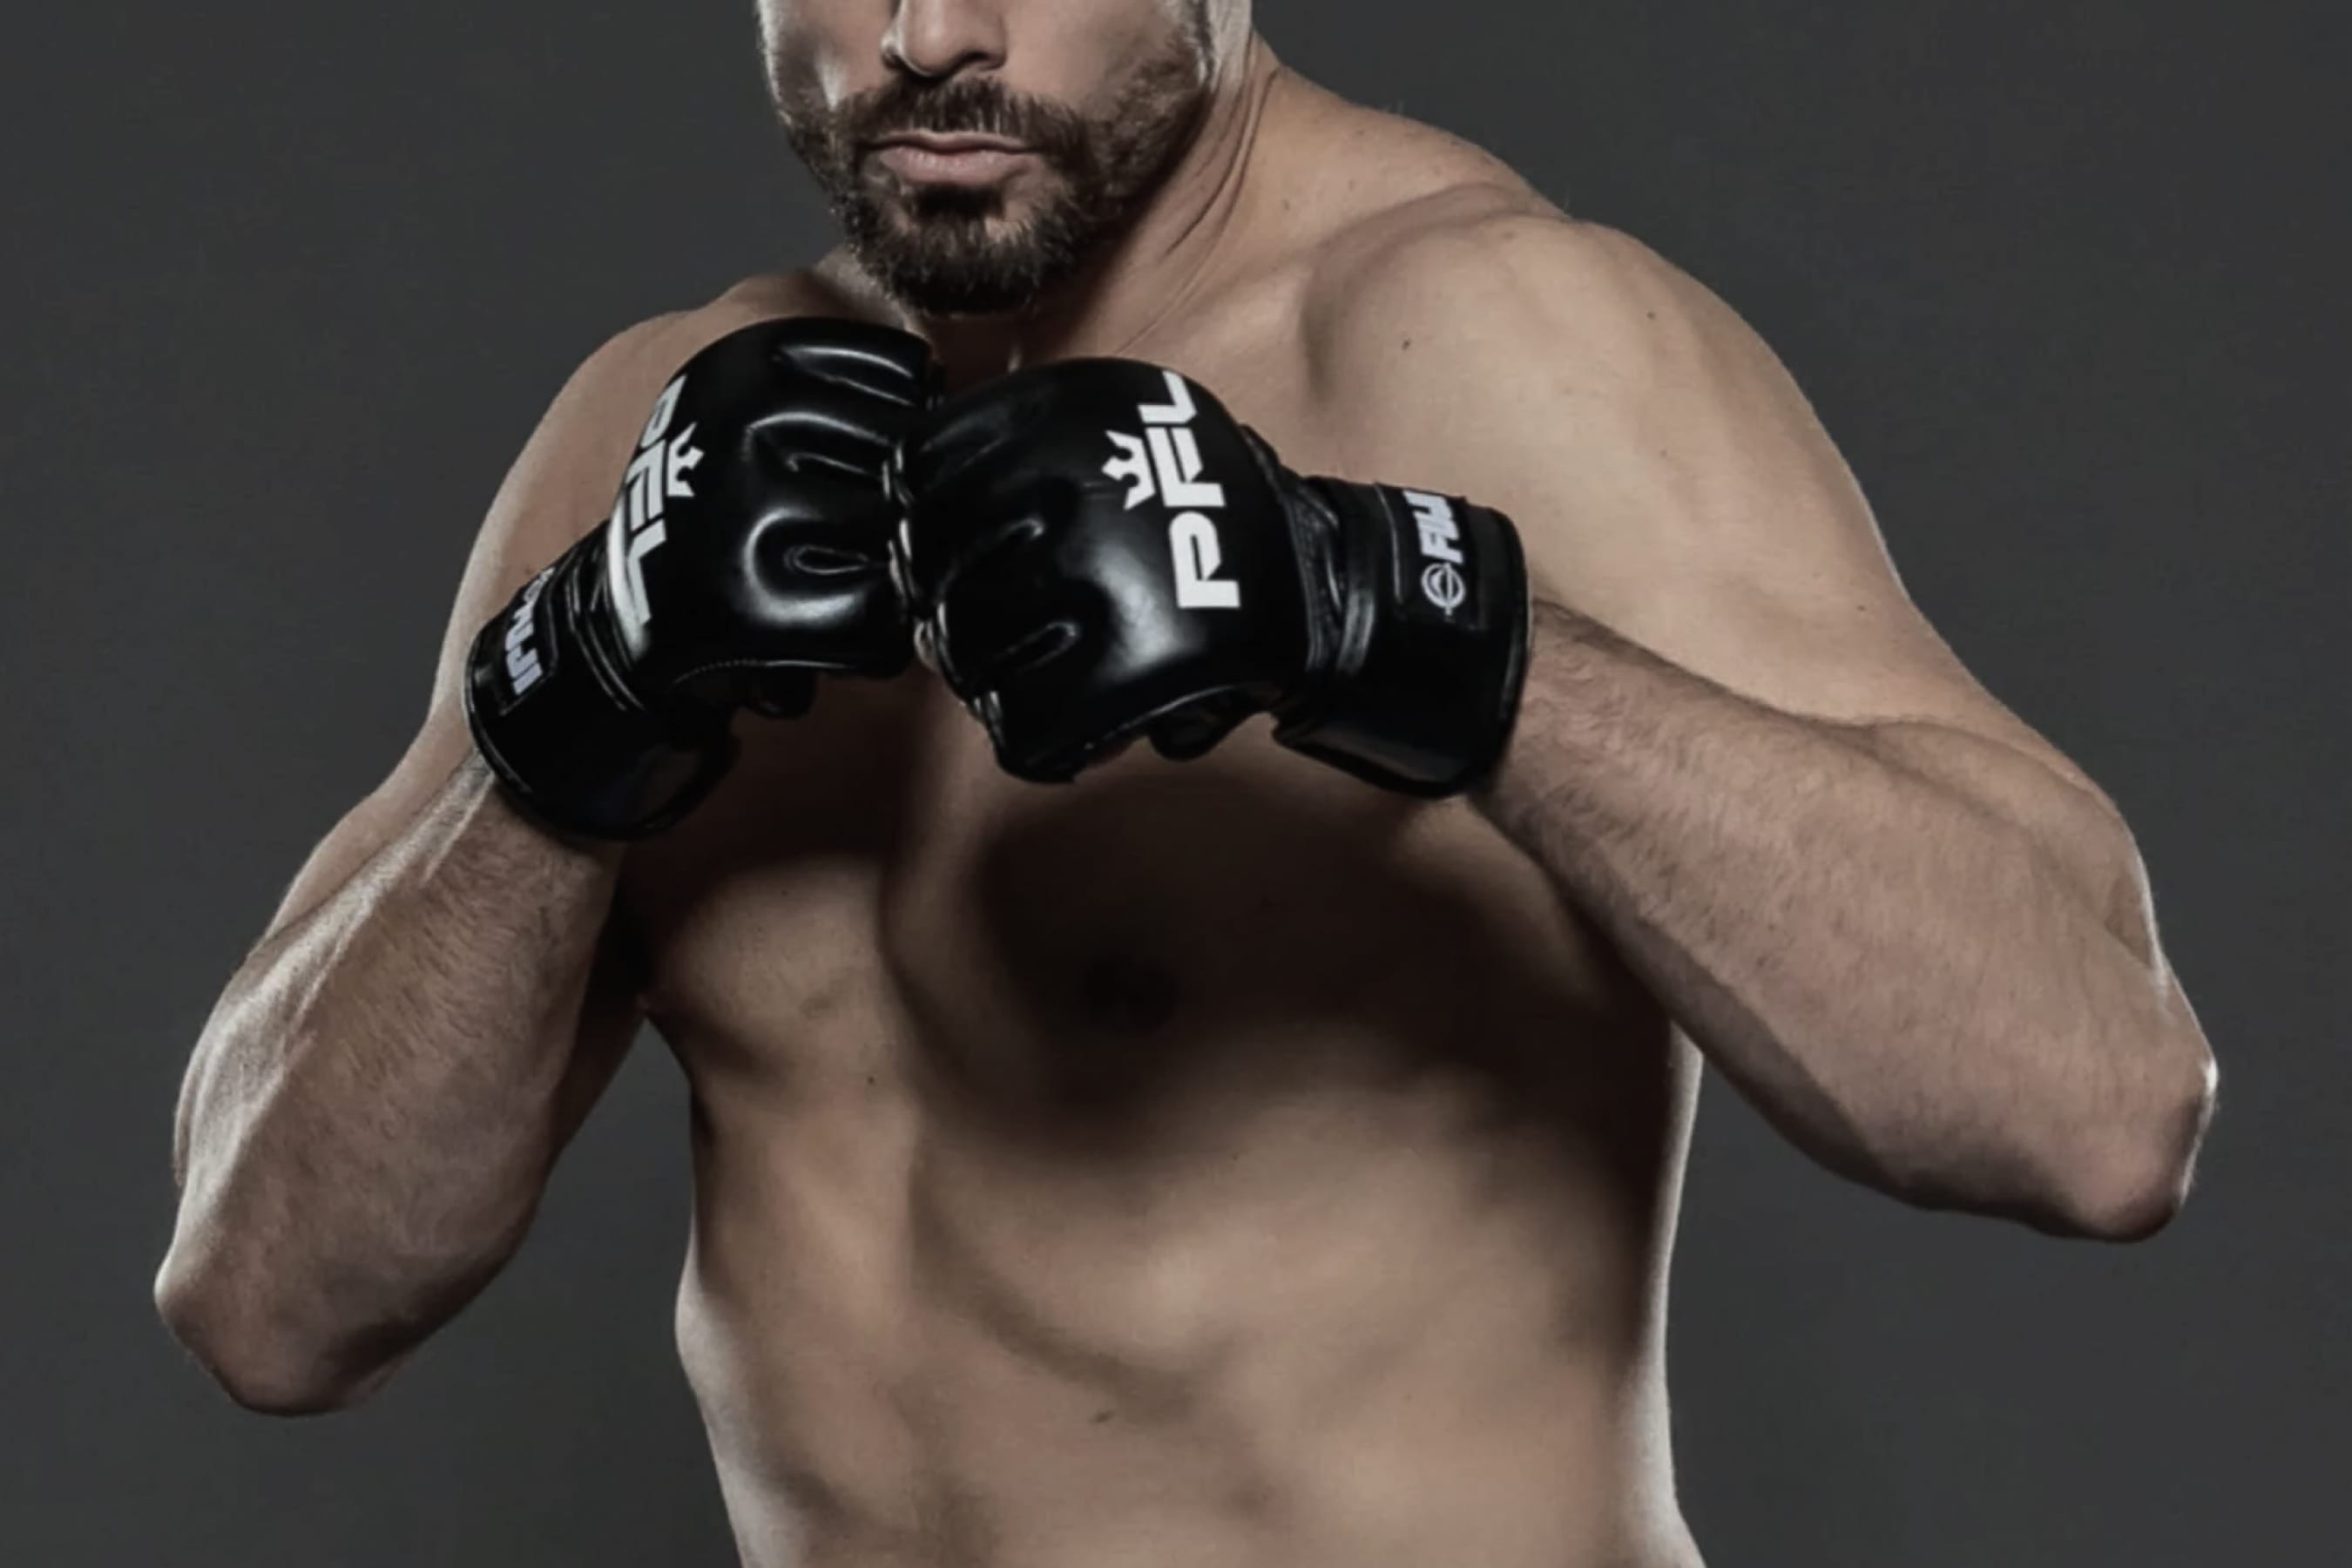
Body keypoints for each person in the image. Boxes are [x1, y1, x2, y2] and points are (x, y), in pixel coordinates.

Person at [156, 3, 2220, 1565]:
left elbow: (2097, 1101)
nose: (927, 35)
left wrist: (1393, 619)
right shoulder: (664, 428)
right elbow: (267, 1298)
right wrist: (571, 707)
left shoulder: (1485, 339)